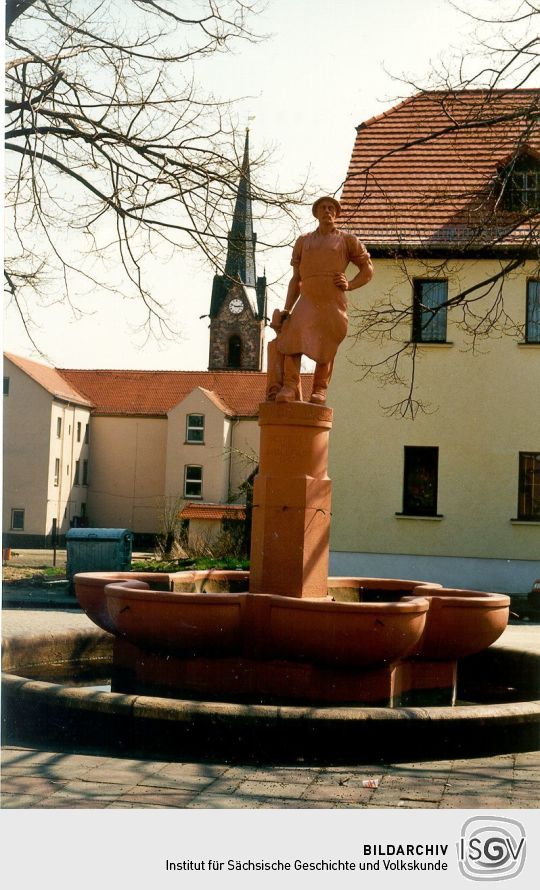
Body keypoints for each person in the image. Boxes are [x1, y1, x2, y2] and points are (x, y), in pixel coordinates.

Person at [267, 196, 373, 404]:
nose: (328, 211)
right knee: (292, 339)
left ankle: (320, 389)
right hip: (308, 297)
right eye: (323, 208)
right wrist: (287, 309)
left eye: (332, 208)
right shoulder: (303, 241)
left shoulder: (347, 240)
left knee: (327, 342)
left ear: (337, 213)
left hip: (332, 300)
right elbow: (295, 279)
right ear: (316, 213)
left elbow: (368, 269)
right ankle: (289, 386)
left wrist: (350, 284)